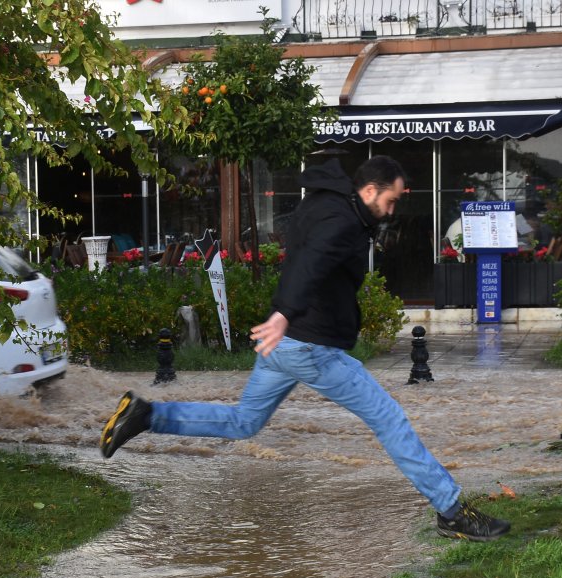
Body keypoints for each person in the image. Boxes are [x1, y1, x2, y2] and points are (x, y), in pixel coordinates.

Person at [99, 156, 510, 542]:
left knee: (244, 422)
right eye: (389, 200)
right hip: (308, 344)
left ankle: (146, 415)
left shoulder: (325, 202)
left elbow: (306, 257)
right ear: (369, 191)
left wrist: (286, 318)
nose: (391, 210)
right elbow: (309, 262)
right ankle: (452, 510)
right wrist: (284, 312)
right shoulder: (342, 221)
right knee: (388, 418)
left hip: (287, 344)